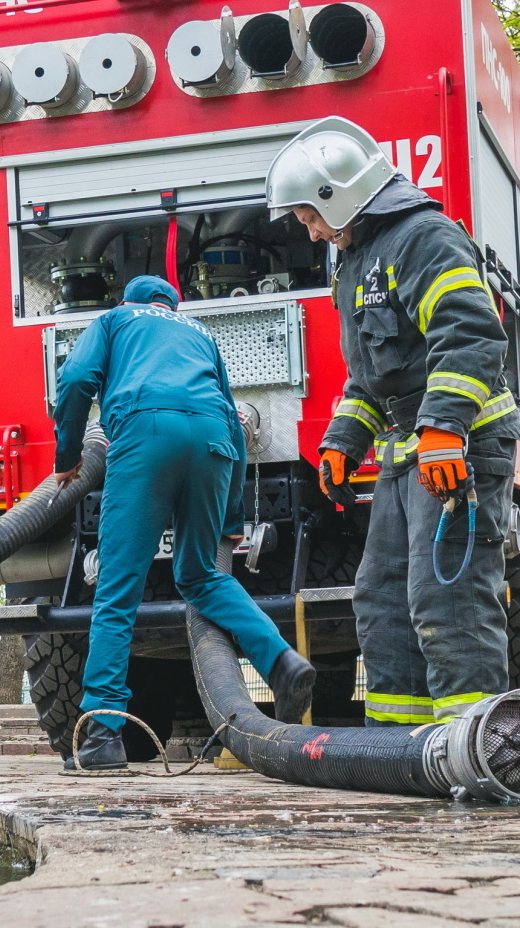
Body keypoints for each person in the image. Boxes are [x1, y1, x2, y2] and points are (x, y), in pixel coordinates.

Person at [264, 116, 520, 728]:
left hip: (460, 446)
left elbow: (471, 335)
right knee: (382, 603)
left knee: (449, 600)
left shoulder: (425, 239)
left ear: (340, 193)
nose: (307, 228)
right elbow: (369, 373)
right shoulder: (354, 260)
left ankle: (476, 745)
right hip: (409, 452)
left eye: (307, 214)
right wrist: (344, 441)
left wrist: (443, 428)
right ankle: (402, 749)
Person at [51, 274, 315, 773]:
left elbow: (77, 379)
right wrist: (232, 519)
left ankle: (103, 735)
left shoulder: (114, 319)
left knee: (118, 586)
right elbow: (235, 421)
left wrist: (67, 454)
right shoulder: (199, 334)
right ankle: (282, 661)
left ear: (130, 299)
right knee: (201, 575)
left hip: (146, 433)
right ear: (174, 305)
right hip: (214, 441)